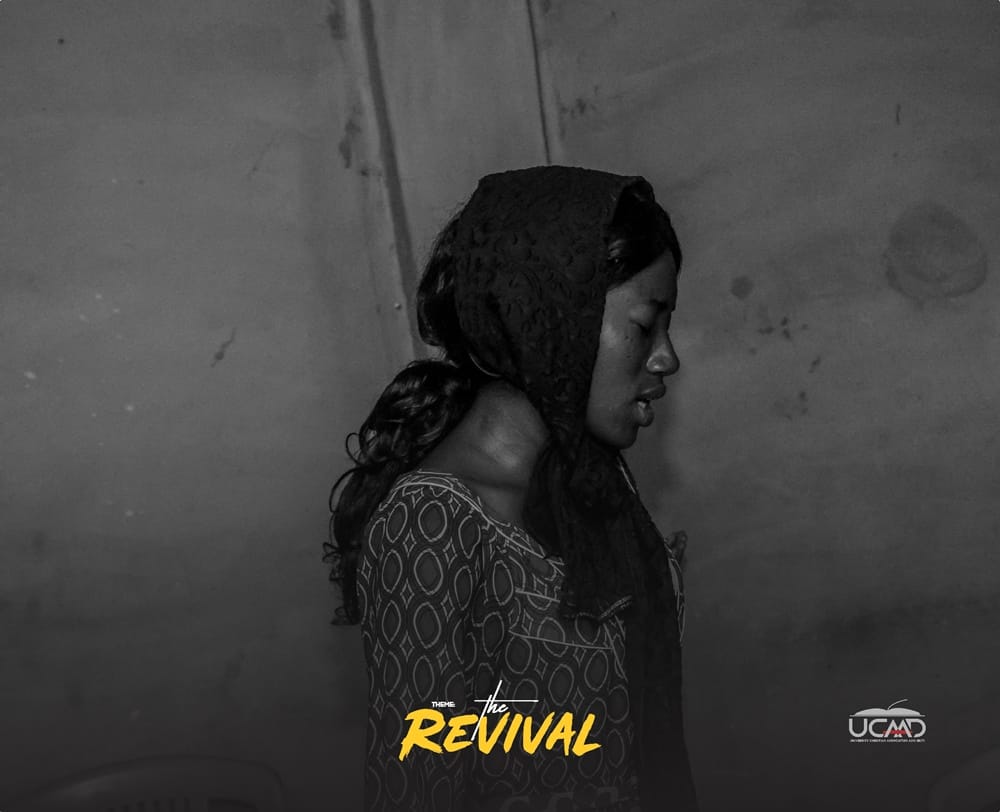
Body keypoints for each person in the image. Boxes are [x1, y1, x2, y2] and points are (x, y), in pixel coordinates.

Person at [325, 166, 698, 812]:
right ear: (553, 320)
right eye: (645, 326)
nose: (667, 357)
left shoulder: (589, 488)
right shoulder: (432, 524)